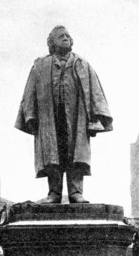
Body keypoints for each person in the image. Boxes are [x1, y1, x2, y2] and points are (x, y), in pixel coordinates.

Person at [15, 25, 113, 204]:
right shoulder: (40, 65)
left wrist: (97, 116)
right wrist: (30, 115)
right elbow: (29, 92)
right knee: (53, 155)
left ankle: (76, 192)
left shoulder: (82, 64)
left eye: (68, 36)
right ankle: (54, 193)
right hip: (50, 117)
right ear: (52, 42)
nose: (66, 38)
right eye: (61, 36)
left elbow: (95, 92)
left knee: (76, 154)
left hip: (76, 118)